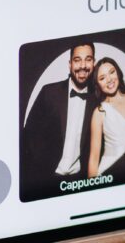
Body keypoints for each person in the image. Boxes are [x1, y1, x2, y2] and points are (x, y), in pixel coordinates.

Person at [20, 42, 96, 201]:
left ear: (93, 63)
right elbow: (28, 134)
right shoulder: (49, 92)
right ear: (70, 64)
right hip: (46, 179)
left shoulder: (98, 100)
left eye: (88, 59)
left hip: (79, 182)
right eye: (77, 60)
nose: (83, 65)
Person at [87, 57, 125, 181]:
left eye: (112, 72)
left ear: (118, 72)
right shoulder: (99, 112)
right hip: (111, 173)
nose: (109, 79)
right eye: (102, 78)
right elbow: (94, 158)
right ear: (98, 84)